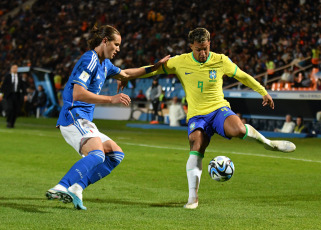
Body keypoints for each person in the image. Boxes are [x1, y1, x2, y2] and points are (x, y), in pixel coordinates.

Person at [143, 27, 296, 209]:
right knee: (196, 144)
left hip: (218, 109)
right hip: (196, 115)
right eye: (198, 49)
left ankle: (269, 143)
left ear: (210, 44)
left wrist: (263, 92)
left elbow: (243, 76)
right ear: (191, 46)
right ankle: (193, 198)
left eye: (206, 48)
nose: (203, 52)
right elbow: (152, 71)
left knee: (239, 130)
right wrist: (124, 75)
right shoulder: (179, 62)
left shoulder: (221, 60)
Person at [45, 25, 170, 210]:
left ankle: (77, 188)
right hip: (73, 116)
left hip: (85, 119)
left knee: (115, 155)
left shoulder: (104, 64)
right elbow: (77, 94)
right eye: (116, 44)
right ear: (105, 41)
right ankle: (61, 186)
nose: (118, 49)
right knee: (97, 154)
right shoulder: (90, 60)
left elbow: (126, 73)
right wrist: (111, 99)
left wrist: (155, 67)